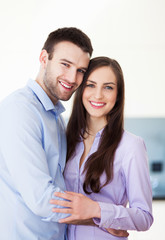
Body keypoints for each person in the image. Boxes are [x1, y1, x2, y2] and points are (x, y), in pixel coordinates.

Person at [0, 27, 93, 240]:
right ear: (44, 58)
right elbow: (41, 198)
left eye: (80, 70)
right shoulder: (20, 110)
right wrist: (101, 216)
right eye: (65, 64)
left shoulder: (54, 116)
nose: (72, 78)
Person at [50, 57, 154, 239]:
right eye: (91, 85)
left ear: (118, 94)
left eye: (108, 87)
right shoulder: (65, 139)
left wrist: (96, 210)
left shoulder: (131, 146)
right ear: (81, 89)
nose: (98, 95)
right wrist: (97, 219)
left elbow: (144, 217)